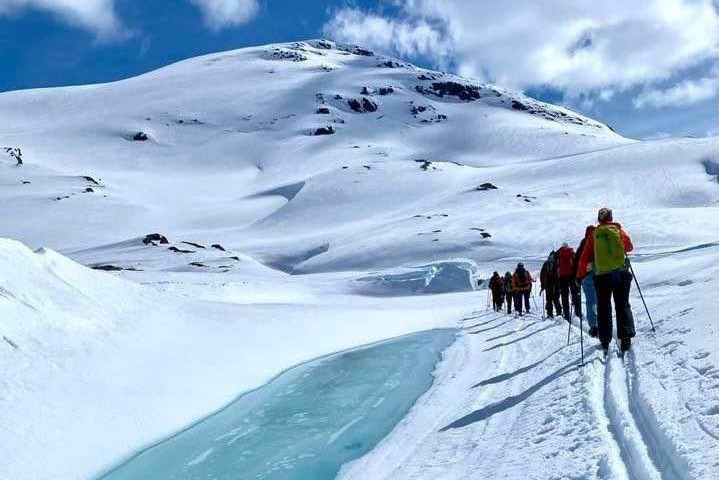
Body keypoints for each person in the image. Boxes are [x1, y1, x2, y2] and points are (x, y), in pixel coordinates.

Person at [577, 208, 636, 353]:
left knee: (603, 308)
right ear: (611, 218)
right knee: (622, 305)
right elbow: (629, 247)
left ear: (599, 219)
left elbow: (584, 257)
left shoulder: (593, 235)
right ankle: (626, 337)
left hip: (601, 276)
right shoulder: (618, 230)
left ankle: (605, 341)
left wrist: (579, 276)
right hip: (620, 274)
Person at [575, 226, 598, 337]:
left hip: (587, 276)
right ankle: (605, 324)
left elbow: (577, 261)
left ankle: (594, 326)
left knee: (590, 301)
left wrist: (577, 277)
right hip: (602, 274)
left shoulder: (584, 242)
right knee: (602, 300)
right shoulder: (600, 239)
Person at [556, 243, 576, 322]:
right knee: (574, 293)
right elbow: (575, 261)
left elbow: (557, 266)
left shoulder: (559, 253)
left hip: (562, 277)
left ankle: (567, 315)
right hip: (571, 275)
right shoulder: (571, 251)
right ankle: (577, 311)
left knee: (564, 296)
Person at [540, 251, 562, 318]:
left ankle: (549, 314)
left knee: (549, 299)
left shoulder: (546, 263)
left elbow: (542, 275)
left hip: (548, 284)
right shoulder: (557, 262)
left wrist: (543, 285)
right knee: (556, 298)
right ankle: (559, 313)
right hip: (556, 284)